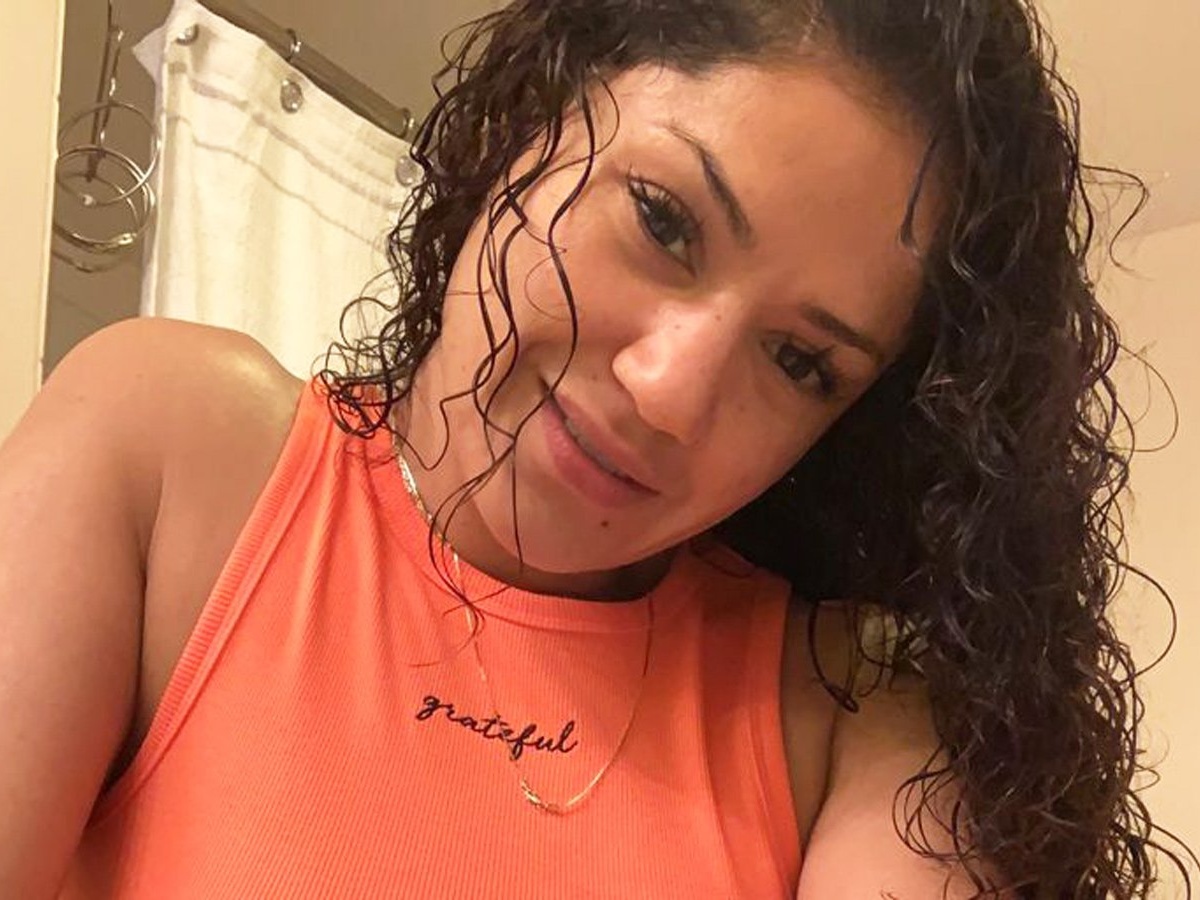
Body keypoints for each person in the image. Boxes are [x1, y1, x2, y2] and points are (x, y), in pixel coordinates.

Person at [1, 0, 1190, 897]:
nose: (670, 393)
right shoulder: (170, 456)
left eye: (799, 362)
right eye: (663, 221)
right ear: (528, 119)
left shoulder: (853, 715)